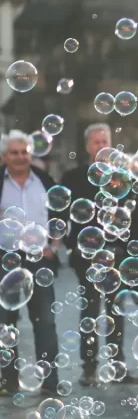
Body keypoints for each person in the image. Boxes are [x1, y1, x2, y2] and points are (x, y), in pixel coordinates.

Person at [61, 124, 138, 386]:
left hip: (116, 255)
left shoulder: (121, 179)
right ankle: (89, 368)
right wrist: (75, 247)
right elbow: (65, 217)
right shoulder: (73, 177)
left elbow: (132, 217)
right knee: (89, 311)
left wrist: (126, 248)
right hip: (86, 256)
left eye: (104, 141)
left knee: (116, 311)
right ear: (88, 146)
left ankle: (117, 366)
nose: (100, 146)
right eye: (96, 142)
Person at [0, 131, 61, 396]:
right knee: (4, 323)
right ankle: (6, 381)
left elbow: (60, 214)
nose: (20, 157)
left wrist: (53, 245)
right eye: (14, 152)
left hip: (39, 259)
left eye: (24, 151)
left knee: (45, 320)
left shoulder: (44, 180)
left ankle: (50, 380)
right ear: (4, 156)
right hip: (4, 258)